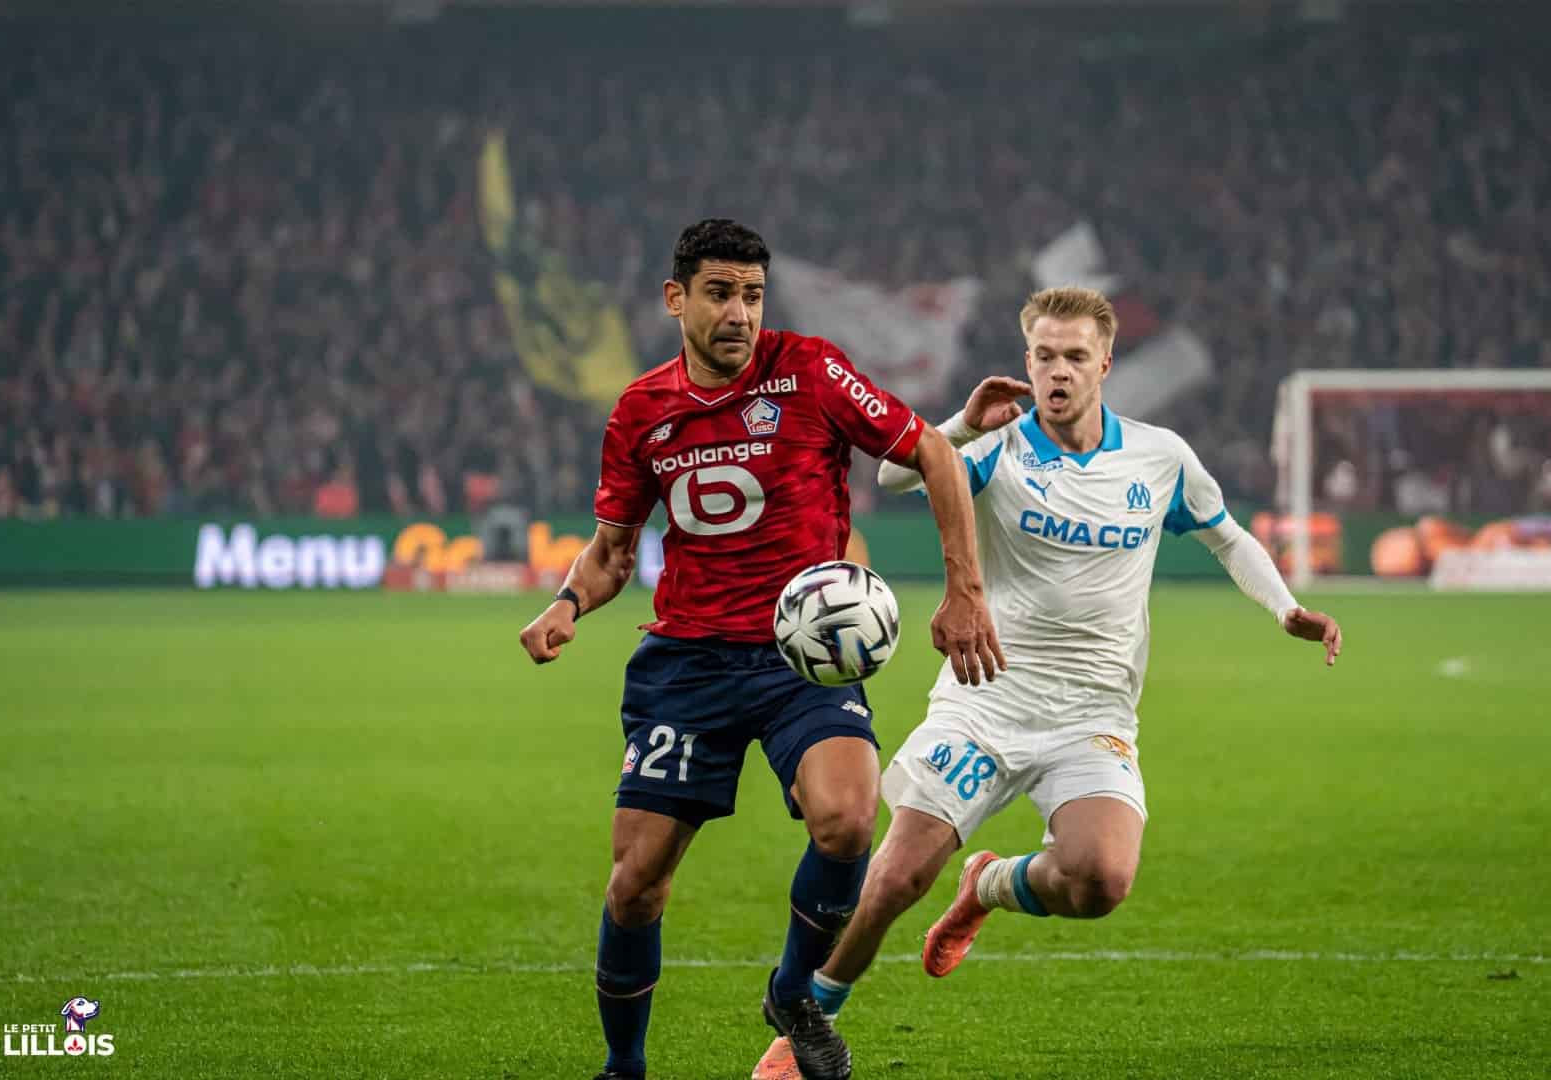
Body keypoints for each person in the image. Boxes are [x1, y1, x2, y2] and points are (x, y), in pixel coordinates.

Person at [752, 286, 1342, 1079]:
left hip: (1093, 712)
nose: (1057, 371)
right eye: (1043, 355)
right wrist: (961, 422)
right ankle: (810, 1021)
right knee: (894, 877)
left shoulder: (1158, 457)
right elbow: (898, 479)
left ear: (1105, 361)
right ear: (1026, 361)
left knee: (1102, 879)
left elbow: (1228, 537)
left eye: (1073, 356)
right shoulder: (1002, 447)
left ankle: (988, 885)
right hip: (987, 699)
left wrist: (1286, 609)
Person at [518, 219, 1004, 1080]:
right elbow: (613, 552)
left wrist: (965, 590)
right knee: (637, 882)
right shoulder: (640, 412)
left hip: (801, 658)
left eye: (751, 294)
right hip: (687, 663)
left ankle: (792, 993)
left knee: (850, 819)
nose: (739, 312)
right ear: (676, 300)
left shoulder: (812, 370)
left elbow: (931, 448)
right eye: (719, 293)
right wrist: (567, 604)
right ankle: (623, 1068)